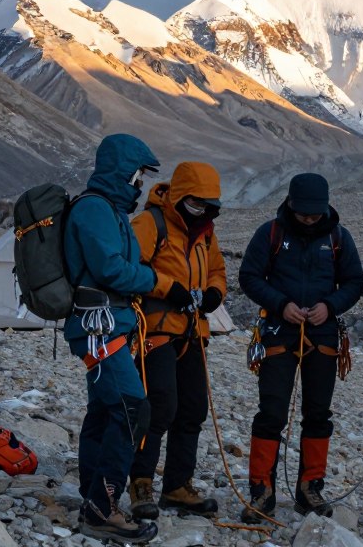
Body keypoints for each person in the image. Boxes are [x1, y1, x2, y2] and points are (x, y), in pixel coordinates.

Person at [238, 173, 363, 523]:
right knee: (271, 413)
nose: (309, 219)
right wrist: (281, 304)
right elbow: (249, 276)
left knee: (318, 413)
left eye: (315, 213)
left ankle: (310, 489)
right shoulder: (271, 234)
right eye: (304, 213)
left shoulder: (339, 237)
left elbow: (355, 281)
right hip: (279, 332)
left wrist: (330, 305)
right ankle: (262, 491)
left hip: (322, 337)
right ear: (291, 204)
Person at [64, 133, 161, 544]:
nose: (141, 183)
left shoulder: (109, 209)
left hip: (107, 323)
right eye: (139, 174)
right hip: (99, 325)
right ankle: (103, 508)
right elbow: (112, 270)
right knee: (130, 408)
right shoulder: (96, 210)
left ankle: (93, 497)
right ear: (125, 172)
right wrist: (154, 279)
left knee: (105, 410)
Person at [126, 161, 227, 520]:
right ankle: (139, 482)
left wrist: (214, 293)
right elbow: (130, 269)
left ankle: (177, 486)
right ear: (181, 197)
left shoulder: (206, 232)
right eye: (197, 204)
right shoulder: (150, 223)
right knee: (159, 406)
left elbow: (216, 270)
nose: (203, 212)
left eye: (209, 206)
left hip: (193, 331)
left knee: (193, 408)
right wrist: (171, 289)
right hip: (155, 329)